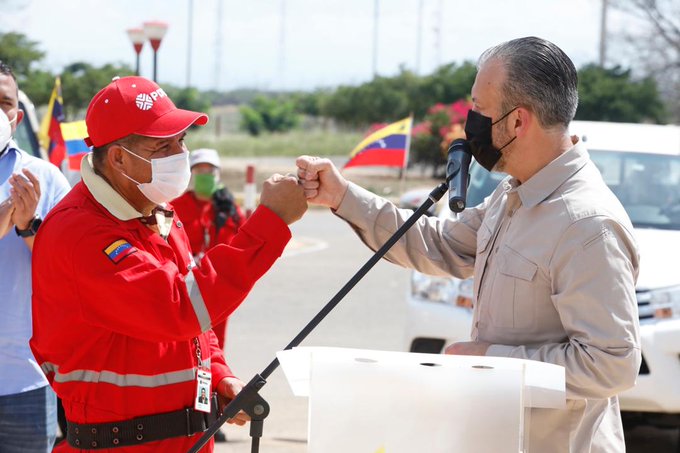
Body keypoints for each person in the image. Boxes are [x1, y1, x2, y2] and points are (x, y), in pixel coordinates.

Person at [297, 37, 640, 453]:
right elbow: (439, 244)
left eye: (480, 109)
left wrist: (489, 361)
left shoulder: (586, 225)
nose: (471, 122)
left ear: (518, 122)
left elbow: (610, 364)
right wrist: (343, 196)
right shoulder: (513, 194)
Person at [29, 75, 307, 453]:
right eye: (163, 145)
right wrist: (269, 223)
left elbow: (195, 326)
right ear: (119, 158)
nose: (180, 154)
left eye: (181, 141)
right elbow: (180, 307)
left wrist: (219, 375)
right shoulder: (81, 232)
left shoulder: (157, 211)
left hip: (184, 439)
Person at [0, 61, 71, 452]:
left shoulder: (46, 178)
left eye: (3, 102)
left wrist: (29, 227)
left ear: (17, 116)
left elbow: (67, 269)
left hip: (25, 381)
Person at [172, 148, 245, 365]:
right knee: (187, 338)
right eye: (200, 170)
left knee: (215, 341)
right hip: (186, 287)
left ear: (218, 174)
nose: (205, 175)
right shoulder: (175, 207)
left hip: (218, 286)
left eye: (210, 171)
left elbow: (241, 245)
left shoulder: (229, 208)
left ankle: (214, 377)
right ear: (191, 174)